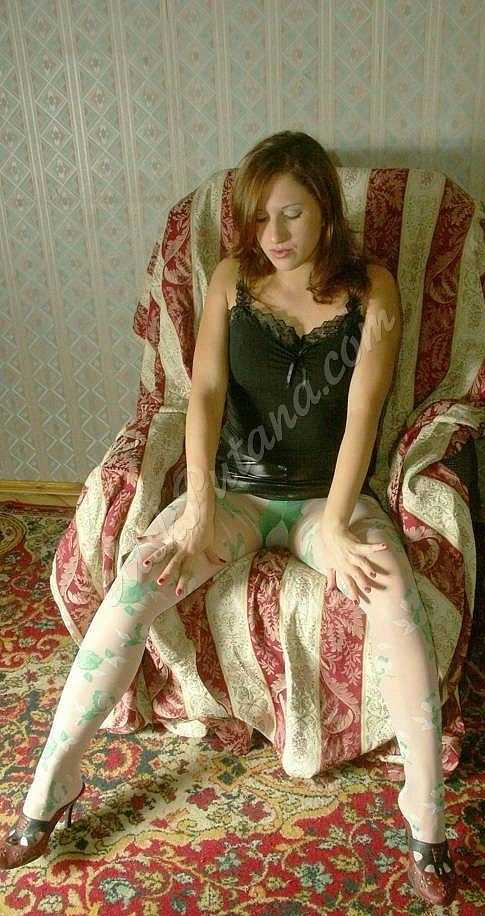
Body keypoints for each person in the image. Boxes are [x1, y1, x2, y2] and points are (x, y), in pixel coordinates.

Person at [0, 131, 457, 905]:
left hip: (326, 502)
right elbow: (204, 393)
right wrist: (201, 505)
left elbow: (362, 411)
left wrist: (337, 524)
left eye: (292, 214)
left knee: (398, 605)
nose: (273, 234)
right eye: (260, 217)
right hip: (236, 496)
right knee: (134, 587)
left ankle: (427, 820)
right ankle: (51, 788)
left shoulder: (373, 288)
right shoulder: (230, 279)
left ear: (325, 211)